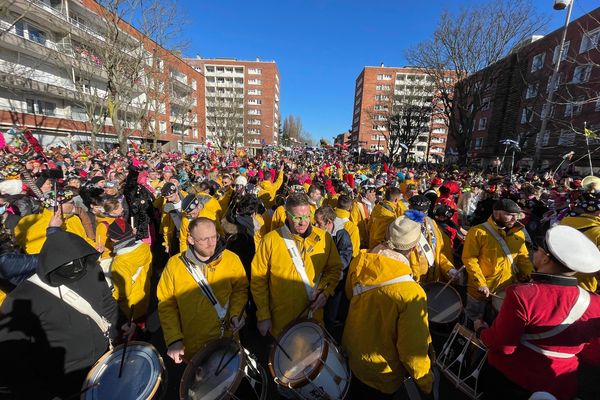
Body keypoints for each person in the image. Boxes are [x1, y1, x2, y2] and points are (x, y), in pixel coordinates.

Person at [0, 210, 118, 399]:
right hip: (64, 384)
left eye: (79, 262)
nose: (77, 269)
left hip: (104, 364)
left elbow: (107, 302)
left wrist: (120, 326)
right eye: (69, 265)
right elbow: (14, 361)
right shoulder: (20, 301)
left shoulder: (91, 269)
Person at [475, 225, 600, 400]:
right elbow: (592, 353)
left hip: (513, 381)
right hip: (562, 384)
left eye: (538, 250)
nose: (535, 253)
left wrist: (481, 331)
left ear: (545, 259)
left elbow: (504, 346)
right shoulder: (596, 302)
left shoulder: (522, 294)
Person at [343, 215, 433, 399]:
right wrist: (426, 384)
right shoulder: (411, 293)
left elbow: (349, 295)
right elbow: (412, 352)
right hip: (382, 372)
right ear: (414, 247)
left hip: (353, 356)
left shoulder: (360, 261)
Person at [251, 193, 342, 336]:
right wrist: (263, 315)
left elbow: (334, 269)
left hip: (313, 318)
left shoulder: (324, 238)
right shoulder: (270, 240)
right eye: (297, 217)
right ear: (287, 215)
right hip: (281, 321)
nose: (303, 222)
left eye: (306, 216)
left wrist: (325, 292)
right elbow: (258, 279)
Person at [157, 217, 247, 362]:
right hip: (195, 346)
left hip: (227, 340)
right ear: (191, 240)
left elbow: (240, 290)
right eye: (204, 239)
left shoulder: (232, 259)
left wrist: (237, 313)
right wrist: (174, 339)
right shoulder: (174, 266)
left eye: (214, 237)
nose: (212, 243)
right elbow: (166, 304)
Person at [462, 198, 533, 322]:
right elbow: (470, 259)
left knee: (497, 321)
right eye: (509, 215)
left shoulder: (519, 234)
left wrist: (530, 276)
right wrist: (481, 283)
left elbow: (523, 258)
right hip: (479, 291)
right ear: (496, 213)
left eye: (516, 215)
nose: (514, 219)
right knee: (473, 320)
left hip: (505, 290)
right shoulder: (477, 232)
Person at [314, 205, 353, 341]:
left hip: (337, 280)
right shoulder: (318, 233)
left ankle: (329, 341)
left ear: (329, 223)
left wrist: (330, 267)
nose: (315, 225)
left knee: (330, 312)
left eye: (318, 223)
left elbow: (345, 257)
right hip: (323, 278)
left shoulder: (342, 235)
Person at [107, 218, 153, 325]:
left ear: (114, 240)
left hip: (130, 306)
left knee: (132, 332)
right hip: (144, 295)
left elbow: (124, 291)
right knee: (142, 322)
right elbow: (149, 271)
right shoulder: (145, 247)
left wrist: (112, 296)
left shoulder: (120, 262)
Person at [560, 194, 600, 292]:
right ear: (598, 213)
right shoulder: (598, 232)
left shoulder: (564, 222)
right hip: (583, 284)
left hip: (556, 275)